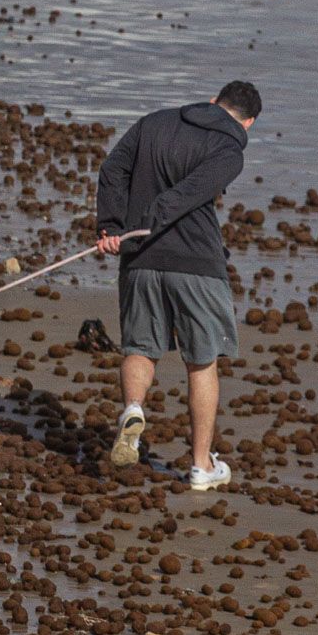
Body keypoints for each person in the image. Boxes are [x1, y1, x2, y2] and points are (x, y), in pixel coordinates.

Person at [96, 80, 261, 489]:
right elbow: (193, 191)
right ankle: (202, 466)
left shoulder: (154, 122)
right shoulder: (230, 150)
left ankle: (133, 408)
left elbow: (112, 168)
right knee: (202, 361)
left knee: (140, 346)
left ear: (212, 101)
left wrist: (113, 225)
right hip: (196, 264)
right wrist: (150, 219)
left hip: (140, 258)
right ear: (249, 122)